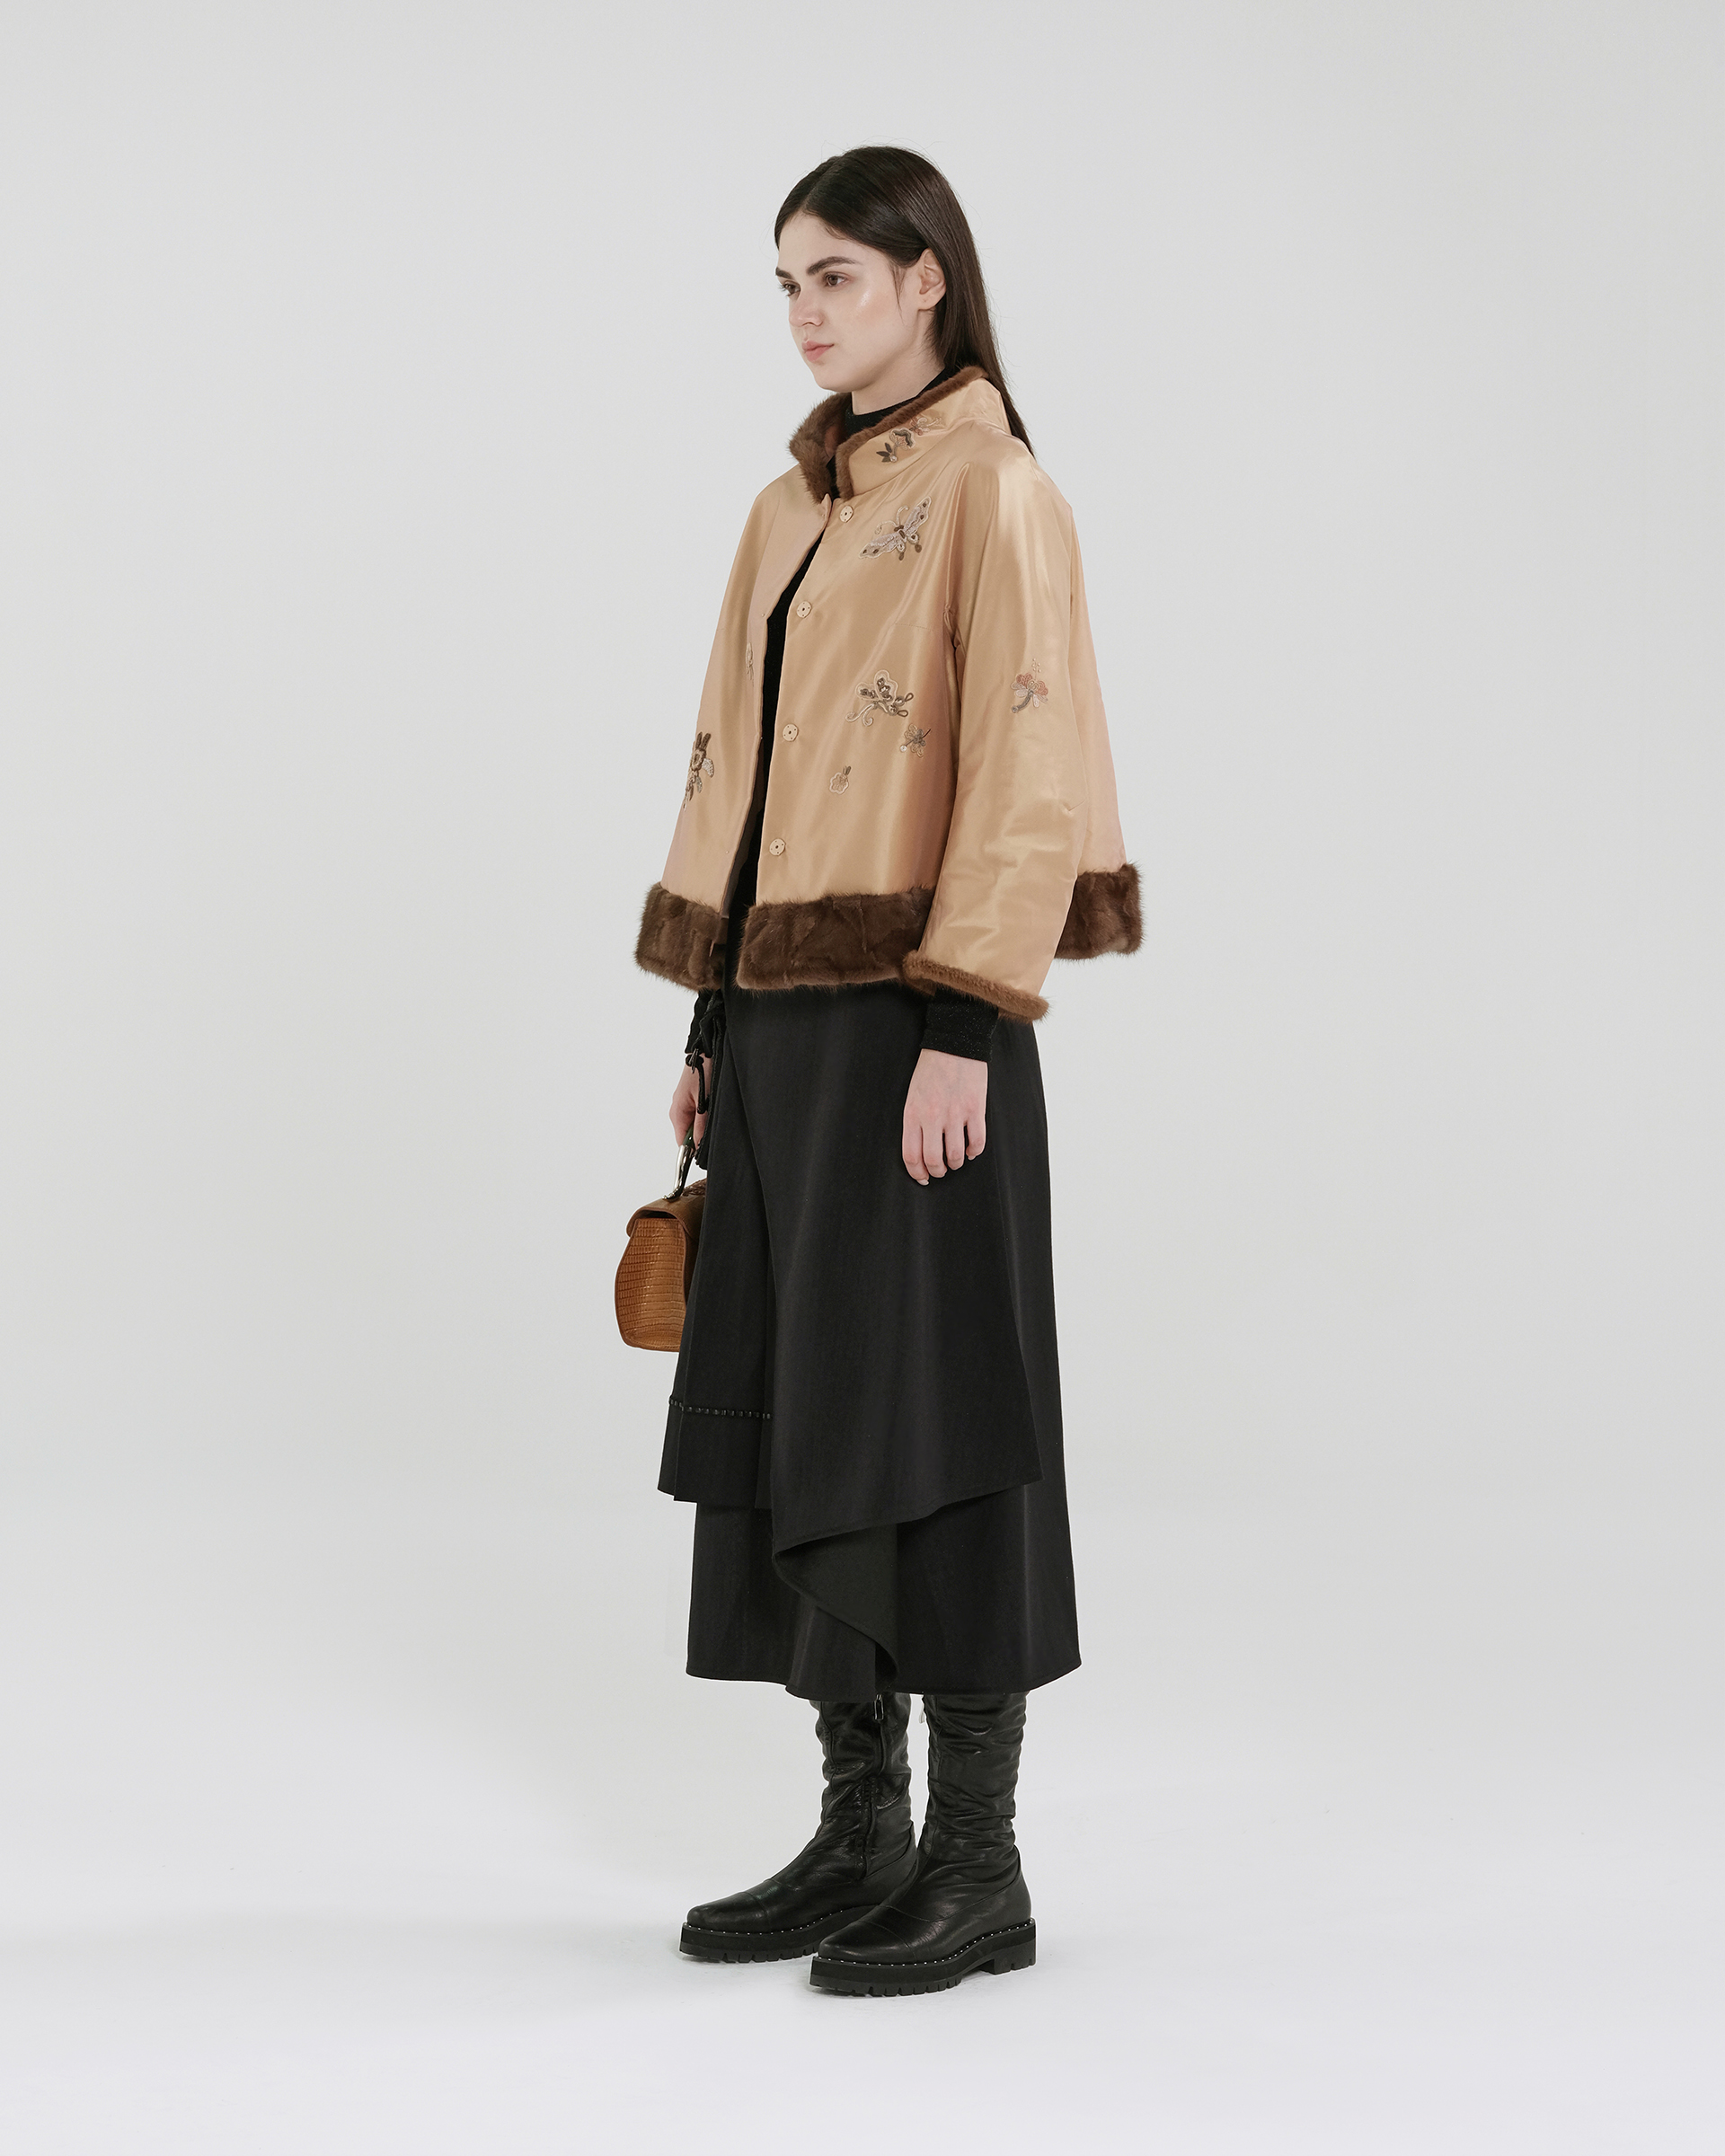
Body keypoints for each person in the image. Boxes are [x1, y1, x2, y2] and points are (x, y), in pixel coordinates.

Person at [632, 145, 1139, 1997]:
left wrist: (965, 1023)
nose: (805, 312)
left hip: (920, 1024)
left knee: (944, 1417)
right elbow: (738, 771)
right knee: (807, 1414)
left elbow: (1028, 770)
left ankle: (978, 1866)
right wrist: (710, 1022)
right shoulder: (789, 509)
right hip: (782, 1030)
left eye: (835, 275)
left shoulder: (996, 492)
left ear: (929, 279)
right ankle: (861, 1834)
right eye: (787, 282)